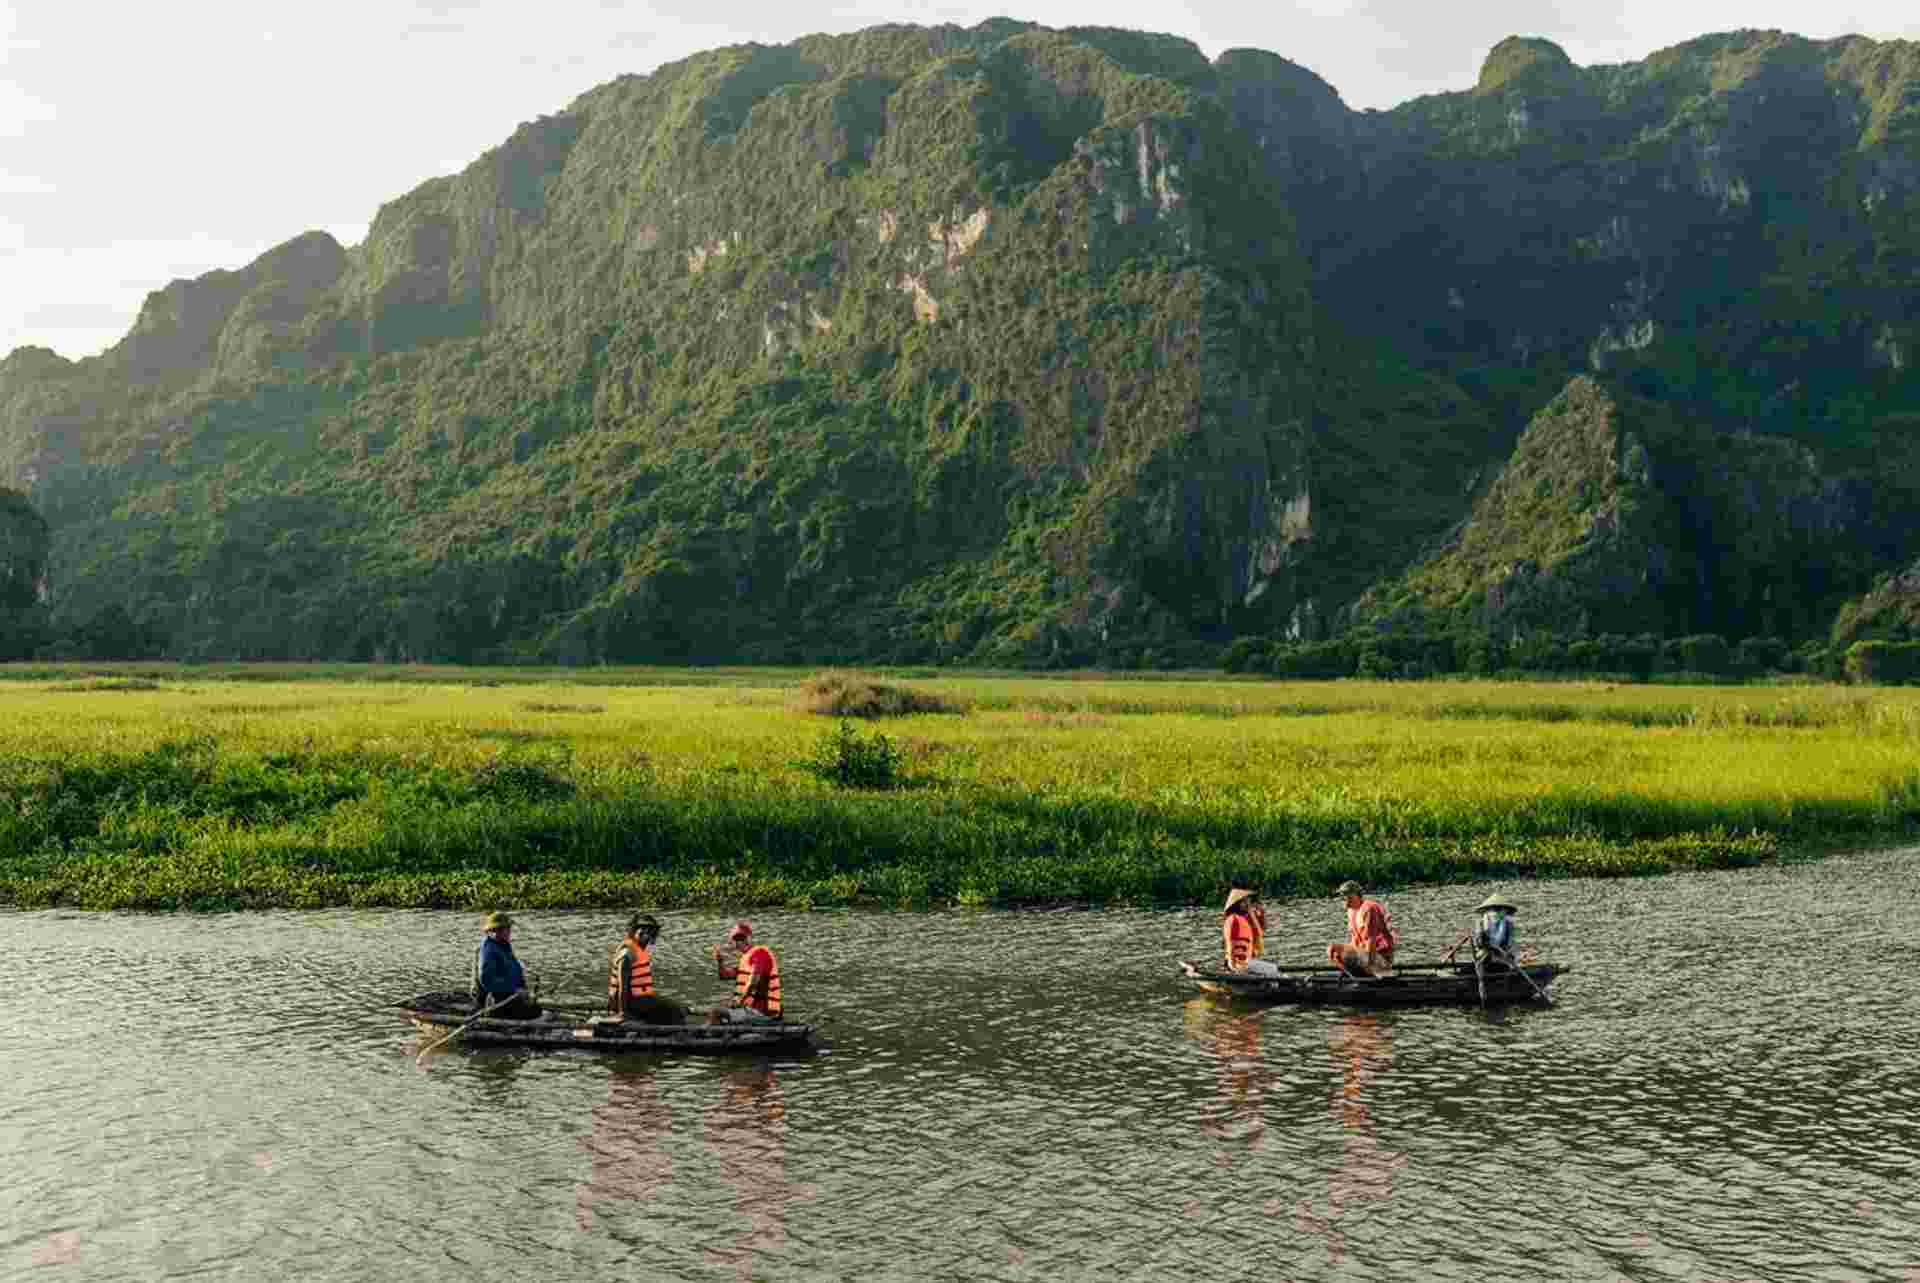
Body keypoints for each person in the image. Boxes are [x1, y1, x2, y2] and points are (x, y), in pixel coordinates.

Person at [609, 913, 689, 1025]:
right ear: (633, 931)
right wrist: (623, 1013)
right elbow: (623, 988)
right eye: (642, 929)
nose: (646, 933)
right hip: (632, 1002)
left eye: (649, 930)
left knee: (681, 1009)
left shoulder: (639, 950)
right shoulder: (627, 953)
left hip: (640, 1000)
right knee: (677, 1011)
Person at [473, 910, 542, 1019]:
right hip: (496, 1001)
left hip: (509, 997)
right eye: (507, 928)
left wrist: (524, 991)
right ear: (497, 930)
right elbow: (487, 980)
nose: (510, 931)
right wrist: (515, 990)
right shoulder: (488, 949)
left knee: (535, 1009)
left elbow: (516, 972)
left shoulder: (504, 946)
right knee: (535, 1013)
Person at [710, 920, 782, 1023]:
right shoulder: (745, 960)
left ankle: (706, 1035)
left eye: (743, 938)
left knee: (716, 1012)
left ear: (750, 938)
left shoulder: (760, 953)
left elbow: (754, 981)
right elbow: (724, 976)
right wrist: (720, 961)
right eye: (736, 939)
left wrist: (738, 1001)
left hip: (762, 1012)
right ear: (733, 943)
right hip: (750, 1009)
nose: (740, 942)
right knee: (721, 1004)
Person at [1328, 881, 1397, 977]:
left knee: (1333, 948)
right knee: (1334, 952)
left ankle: (1373, 972)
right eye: (1342, 897)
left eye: (1347, 896)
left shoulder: (1369, 908)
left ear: (1357, 895)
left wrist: (1370, 964)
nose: (1344, 900)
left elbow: (1370, 940)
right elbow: (1355, 941)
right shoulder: (1351, 911)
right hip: (1364, 955)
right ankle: (1358, 977)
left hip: (1380, 957)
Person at [1221, 888, 1280, 976]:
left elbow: (1259, 932)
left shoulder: (1243, 918)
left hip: (1245, 961)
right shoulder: (1233, 920)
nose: (1248, 905)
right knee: (1272, 969)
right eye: (1245, 902)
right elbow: (1230, 944)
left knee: (1273, 969)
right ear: (1237, 904)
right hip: (1237, 963)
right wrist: (1233, 966)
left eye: (1248, 902)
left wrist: (1256, 913)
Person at [1470, 895, 1519, 970]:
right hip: (1485, 953)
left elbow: (1511, 942)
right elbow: (1479, 943)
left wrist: (1506, 951)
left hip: (1503, 953)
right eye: (1494, 910)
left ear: (1504, 911)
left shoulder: (1508, 924)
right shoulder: (1481, 923)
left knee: (1510, 957)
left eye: (1499, 910)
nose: (1496, 913)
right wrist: (1484, 940)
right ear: (1488, 911)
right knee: (1483, 958)